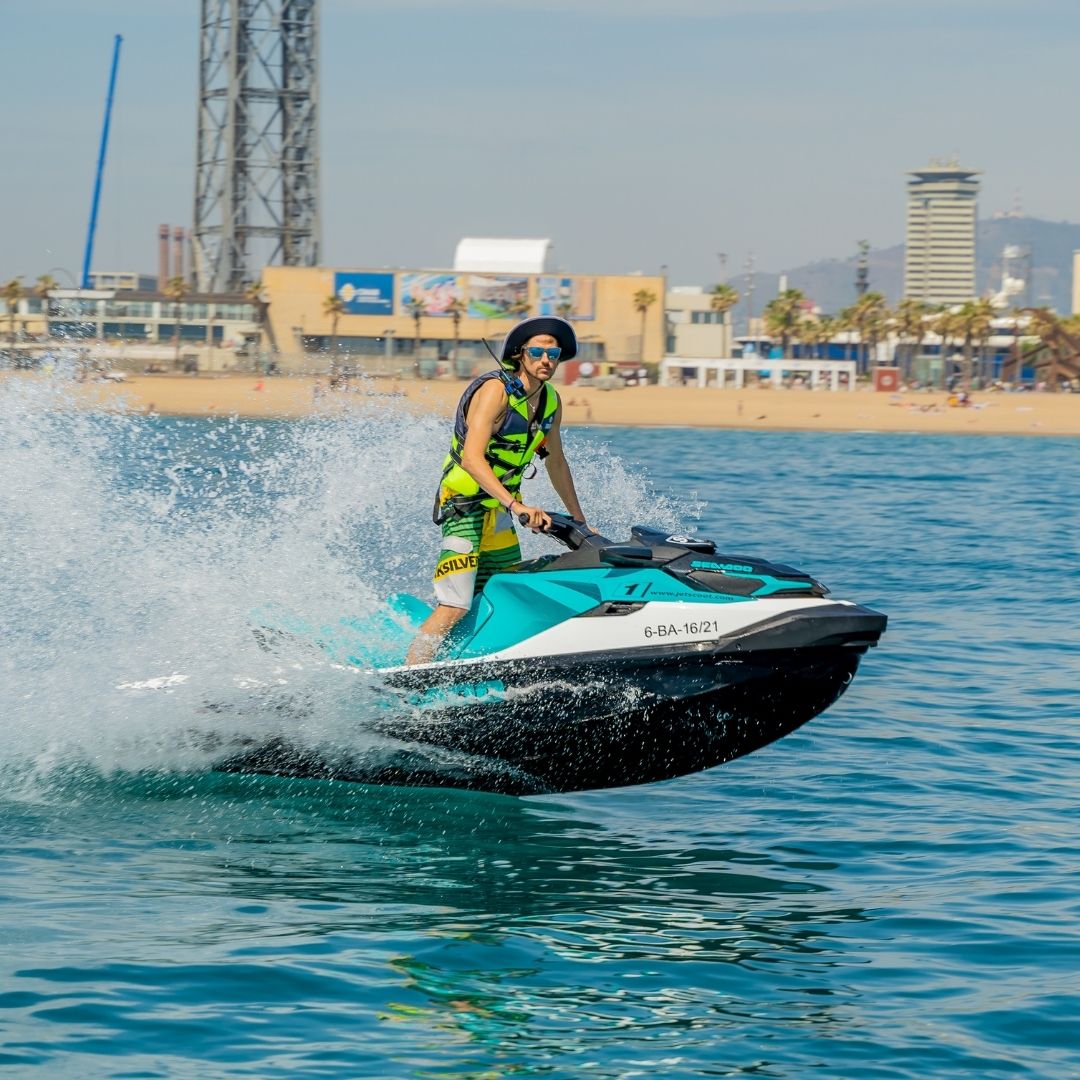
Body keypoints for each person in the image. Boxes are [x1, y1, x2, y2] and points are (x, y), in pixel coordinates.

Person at [405, 316, 588, 665]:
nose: (546, 359)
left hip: (499, 512)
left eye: (554, 353)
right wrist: (516, 505)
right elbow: (473, 459)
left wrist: (580, 521)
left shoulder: (551, 402)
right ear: (520, 354)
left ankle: (464, 662)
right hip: (464, 509)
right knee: (455, 604)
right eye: (537, 351)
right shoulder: (495, 392)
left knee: (502, 593)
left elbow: (557, 463)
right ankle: (409, 677)